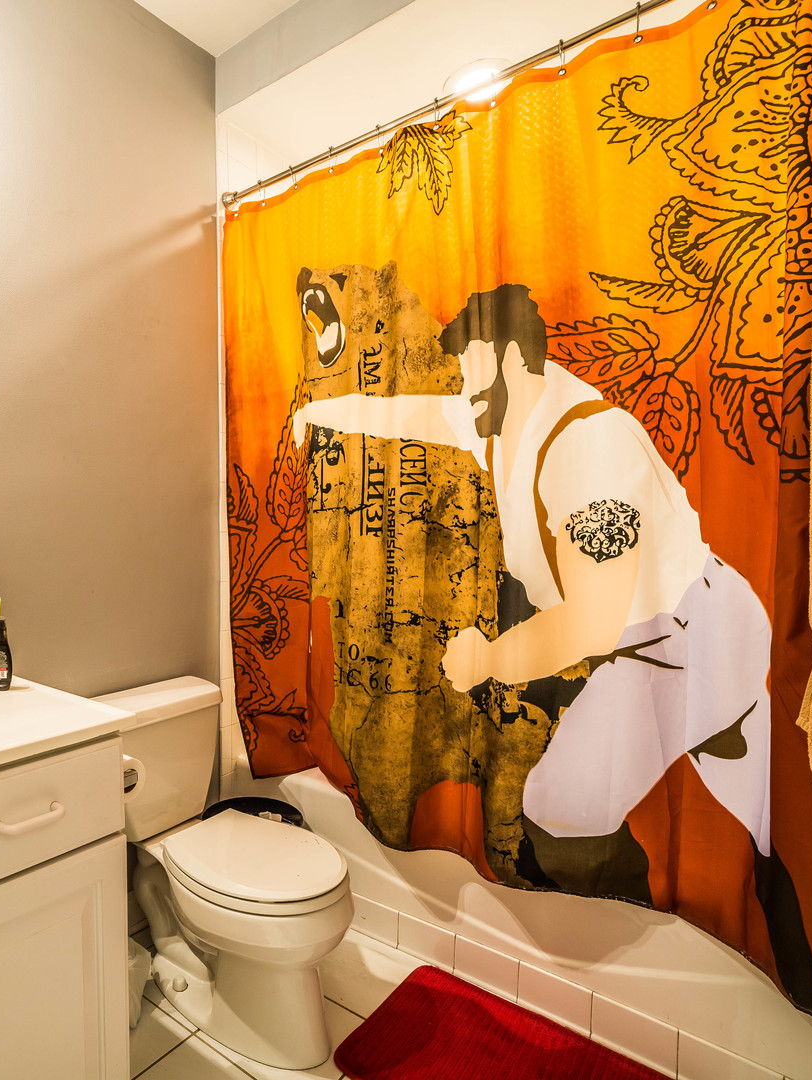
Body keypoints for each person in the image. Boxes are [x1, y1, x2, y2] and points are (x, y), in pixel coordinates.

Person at [291, 283, 773, 865]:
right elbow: (416, 414)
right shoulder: (497, 415)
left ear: (514, 356)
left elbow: (594, 621)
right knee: (579, 810)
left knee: (568, 809)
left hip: (696, 636)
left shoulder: (588, 445)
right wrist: (324, 414)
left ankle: (634, 927)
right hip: (646, 645)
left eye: (473, 371)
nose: (463, 393)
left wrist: (487, 660)